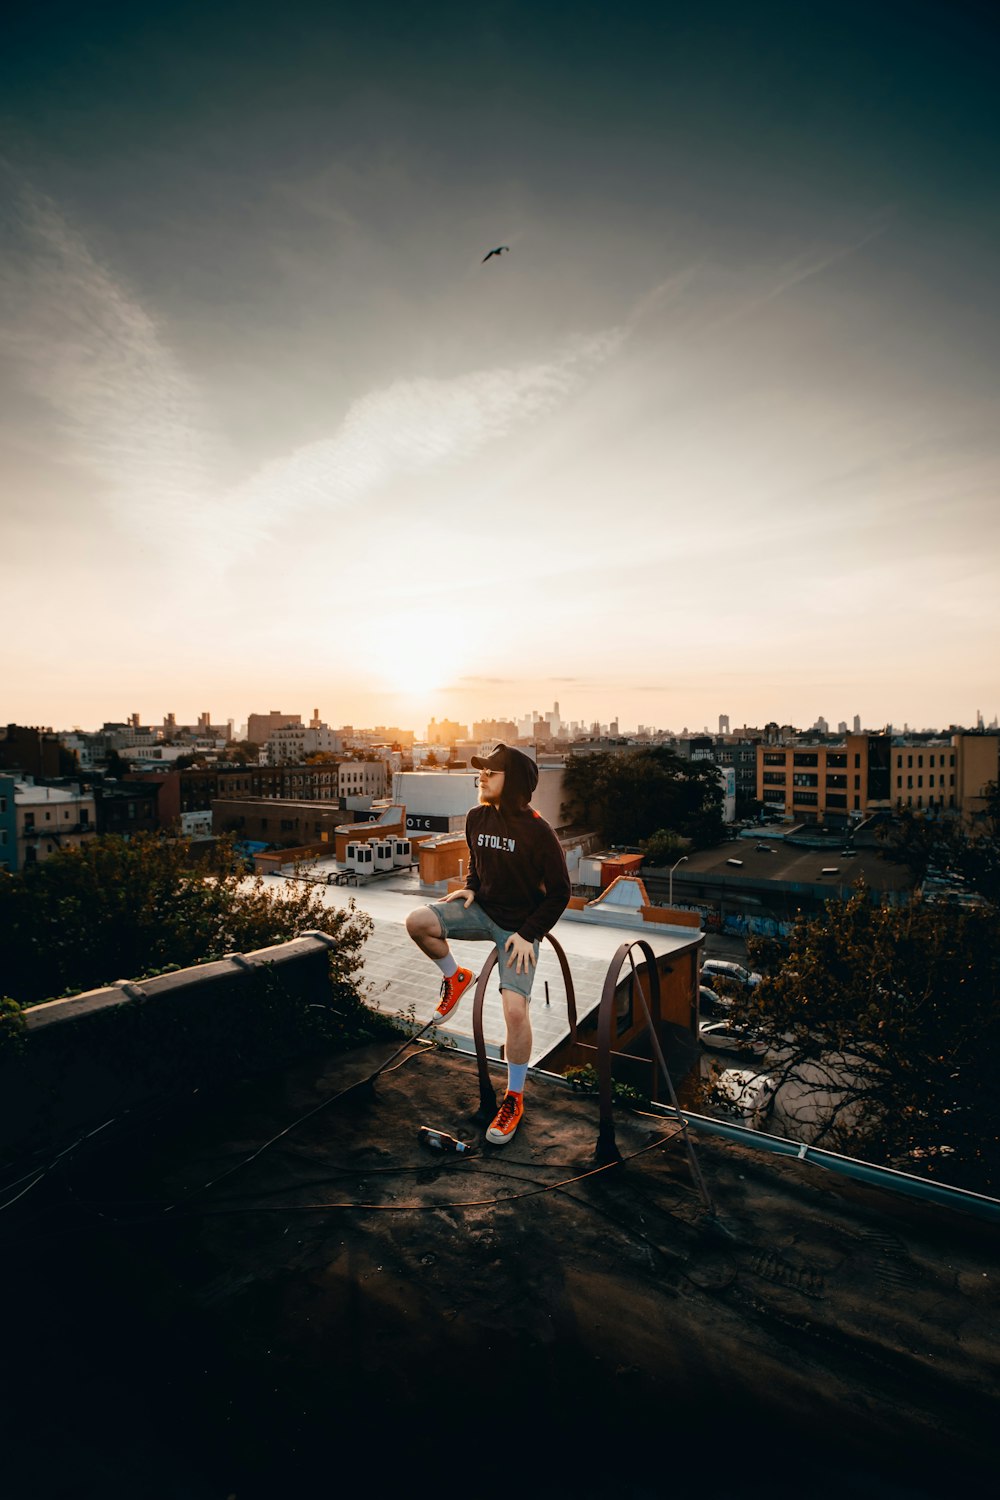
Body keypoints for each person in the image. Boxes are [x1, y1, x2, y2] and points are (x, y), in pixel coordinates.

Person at [405, 743, 571, 1145]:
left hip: (519, 928)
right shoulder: (477, 817)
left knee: (515, 1011)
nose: (480, 776)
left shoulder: (538, 831)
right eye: (481, 770)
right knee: (418, 921)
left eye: (490, 772)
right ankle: (455, 977)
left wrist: (529, 934)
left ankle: (514, 1096)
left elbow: (561, 893)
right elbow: (477, 863)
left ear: (510, 782)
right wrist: (471, 888)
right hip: (482, 911)